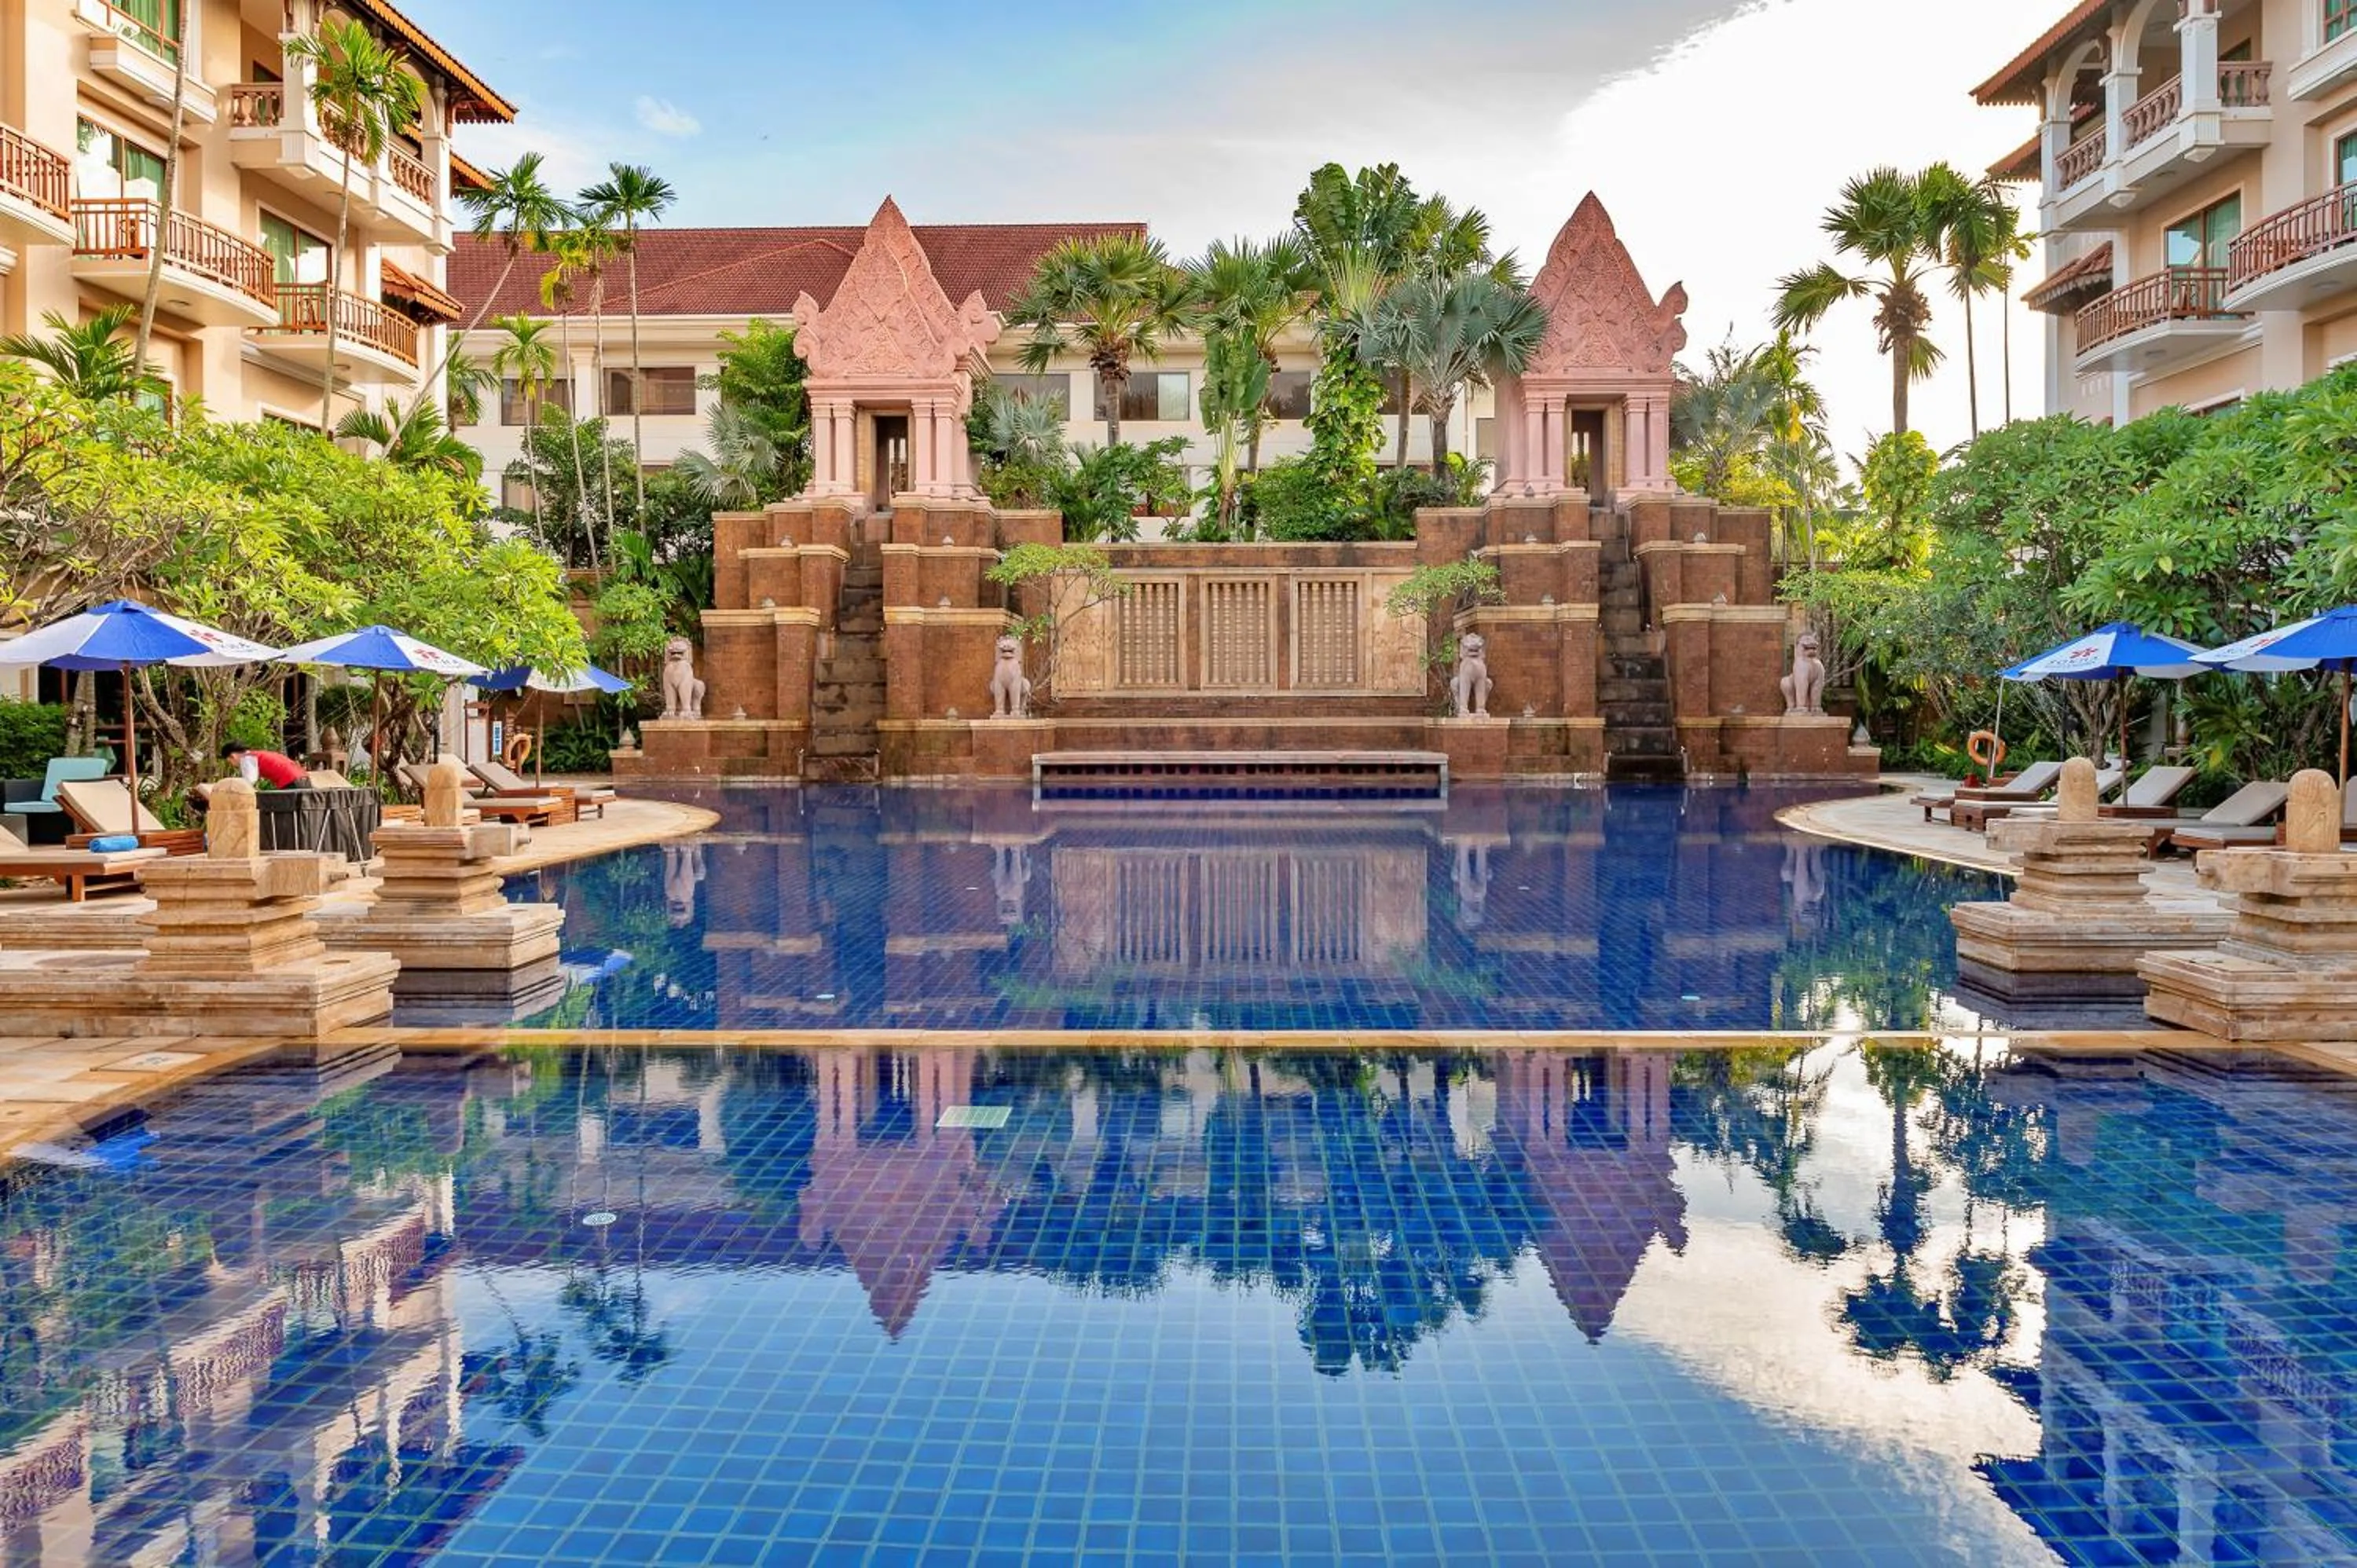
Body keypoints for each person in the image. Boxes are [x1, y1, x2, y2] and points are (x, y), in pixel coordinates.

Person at [220, 742, 306, 789]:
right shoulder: (258, 755)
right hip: (303, 778)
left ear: (232, 756)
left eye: (230, 762)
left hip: (291, 782)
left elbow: (248, 782)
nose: (232, 765)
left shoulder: (247, 759)